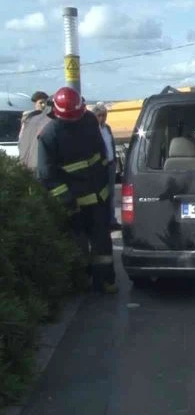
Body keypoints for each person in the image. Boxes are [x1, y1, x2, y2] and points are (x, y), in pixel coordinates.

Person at [37, 87, 117, 294]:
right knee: (77, 245)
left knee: (102, 244)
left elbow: (101, 152)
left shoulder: (88, 119)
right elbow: (46, 176)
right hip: (75, 203)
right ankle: (81, 282)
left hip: (98, 196)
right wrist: (67, 199)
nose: (74, 121)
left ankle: (105, 281)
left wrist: (105, 182)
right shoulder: (49, 135)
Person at [92, 103, 122, 230]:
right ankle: (102, 221)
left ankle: (111, 220)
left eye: (104, 115)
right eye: (99, 115)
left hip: (110, 164)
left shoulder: (107, 128)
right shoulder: (92, 130)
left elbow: (111, 145)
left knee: (111, 194)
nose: (102, 118)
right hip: (100, 166)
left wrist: (114, 161)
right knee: (101, 195)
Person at [17, 91, 50, 171]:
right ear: (35, 103)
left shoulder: (48, 119)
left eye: (45, 103)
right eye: (41, 103)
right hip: (29, 158)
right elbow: (22, 139)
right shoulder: (29, 118)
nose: (43, 105)